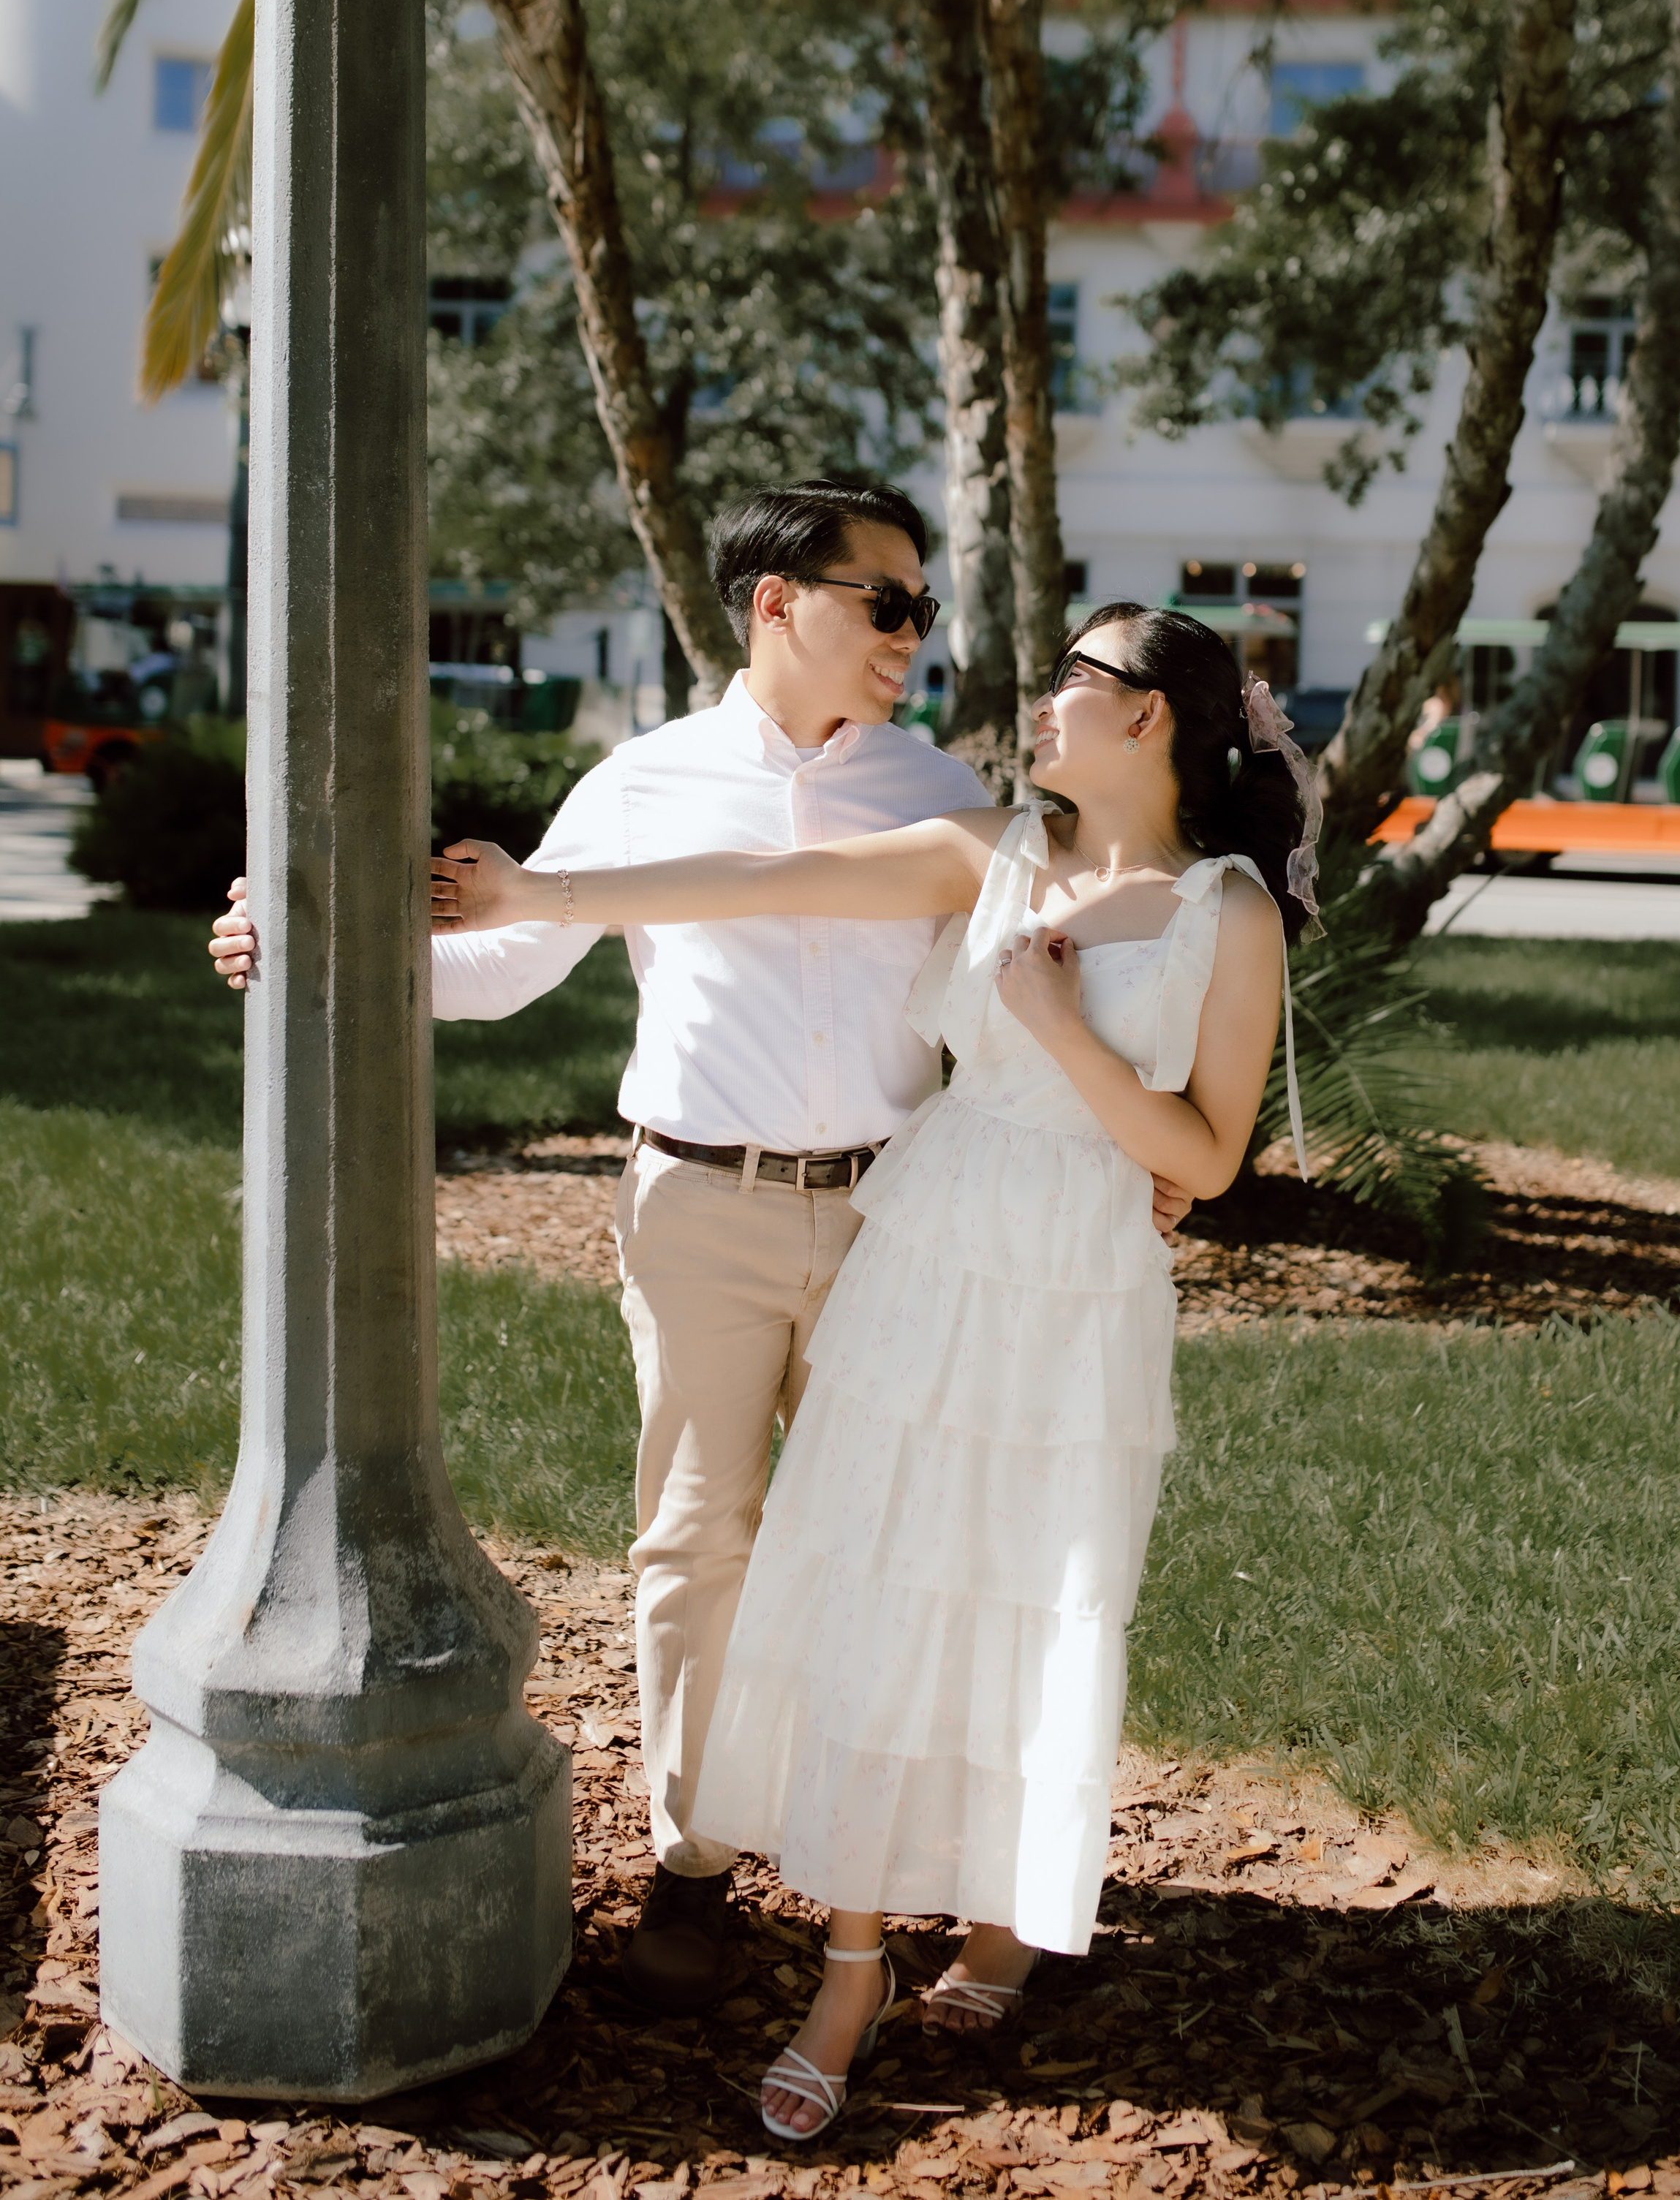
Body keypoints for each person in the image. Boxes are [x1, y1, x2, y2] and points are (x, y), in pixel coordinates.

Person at [208, 478, 1195, 2016]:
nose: (914, 639)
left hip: (902, 1219)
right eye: (889, 603)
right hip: (699, 1211)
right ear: (775, 603)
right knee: (696, 1540)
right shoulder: (642, 784)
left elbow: (1044, 993)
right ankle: (695, 1865)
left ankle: (897, 1862)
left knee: (908, 1544)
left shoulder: (944, 795)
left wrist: (1128, 1162)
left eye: (921, 609)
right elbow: (507, 967)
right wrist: (307, 946)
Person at [430, 604, 1318, 2142]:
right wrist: (537, 889)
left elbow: (1211, 1159)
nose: (1038, 700)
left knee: (1026, 1595)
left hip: (1077, 1281)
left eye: (1072, 680)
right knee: (872, 1583)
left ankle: (997, 1919)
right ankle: (845, 1971)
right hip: (918, 1247)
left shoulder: (1227, 916)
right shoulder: (984, 849)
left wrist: (1061, 1031)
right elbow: (761, 881)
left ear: (1150, 718)